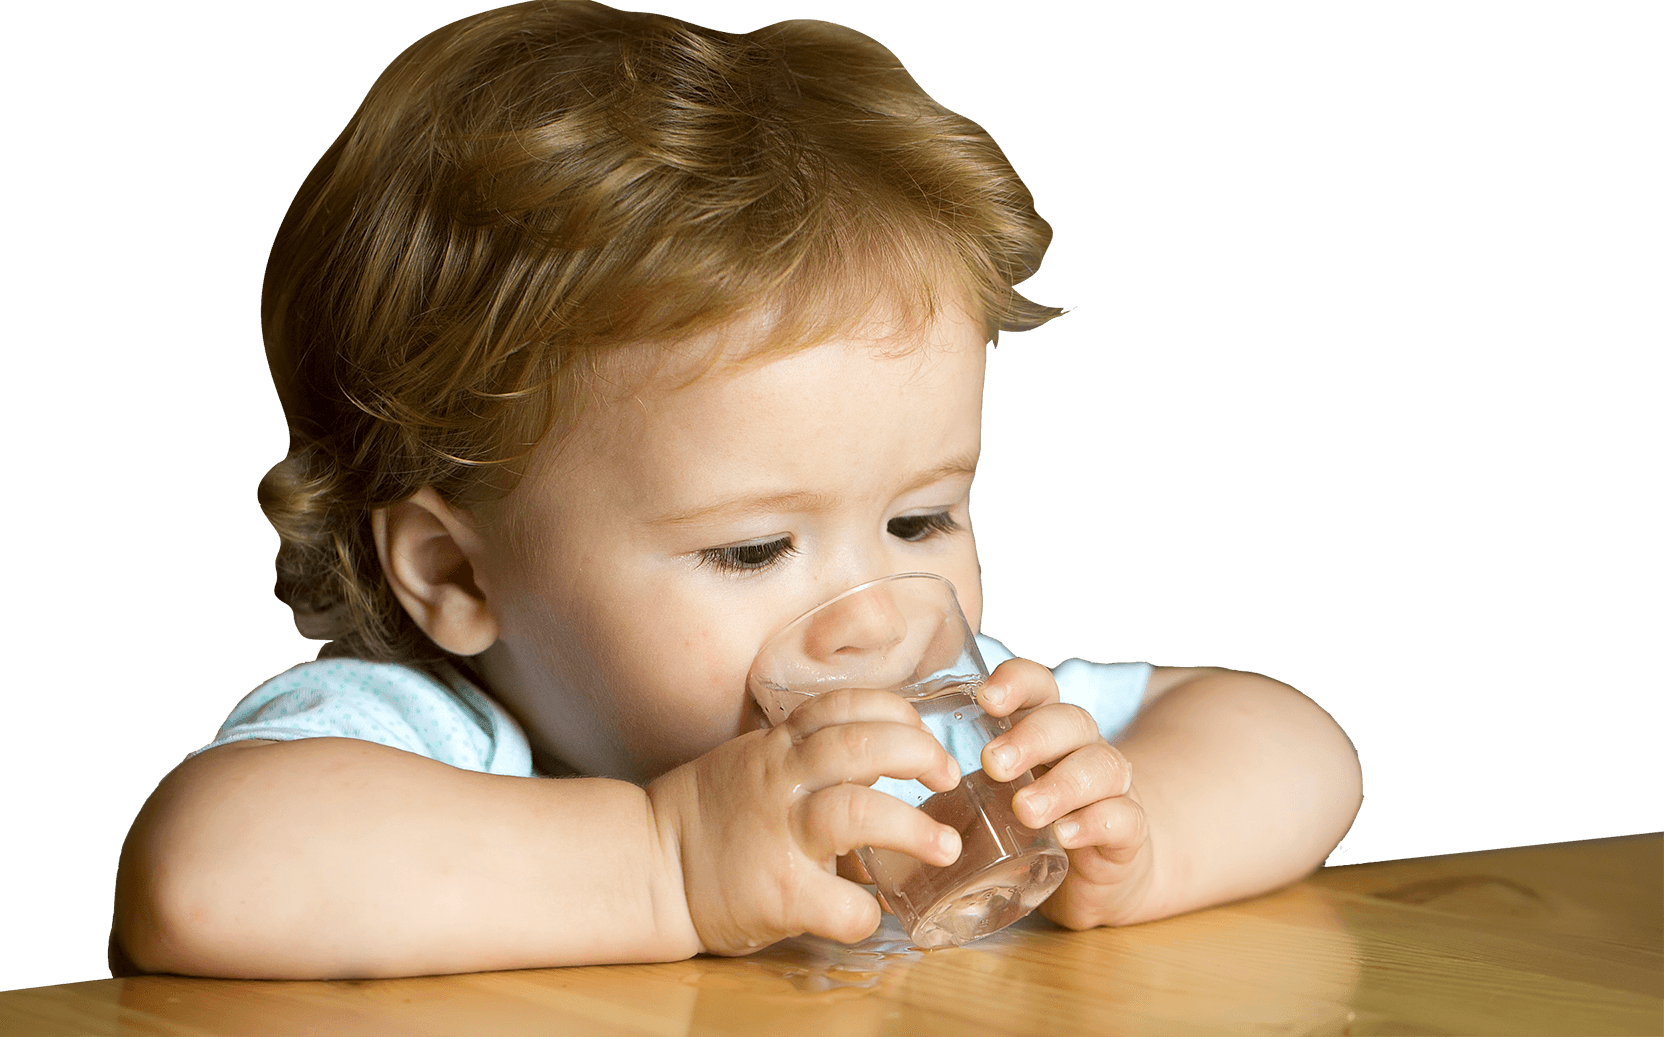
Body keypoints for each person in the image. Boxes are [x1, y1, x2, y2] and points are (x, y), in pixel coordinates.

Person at [110, 0, 1362, 979]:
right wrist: (666, 863)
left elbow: (1297, 742)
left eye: (920, 517)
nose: (873, 609)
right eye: (755, 548)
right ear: (455, 572)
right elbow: (204, 875)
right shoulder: (433, 741)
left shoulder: (949, 739)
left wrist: (1133, 841)